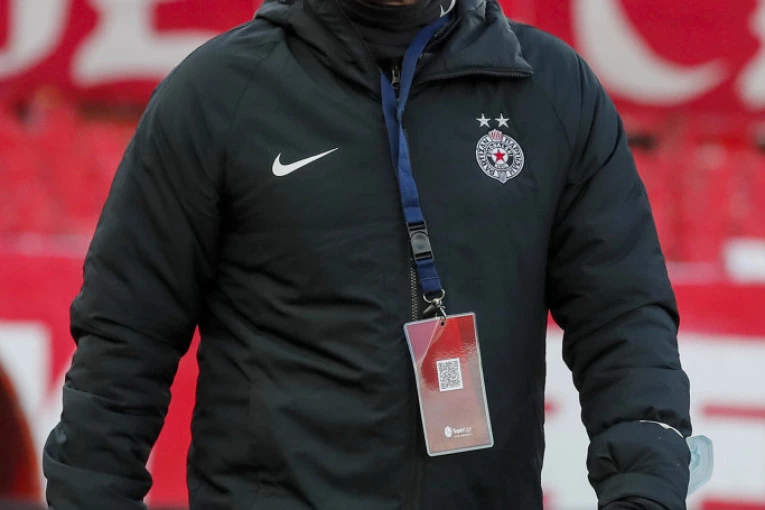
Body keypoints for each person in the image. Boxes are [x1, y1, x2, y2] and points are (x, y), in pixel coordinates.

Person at [43, 0, 693, 509]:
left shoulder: (549, 91)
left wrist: (645, 489)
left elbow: (622, 317)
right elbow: (126, 338)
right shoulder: (218, 94)